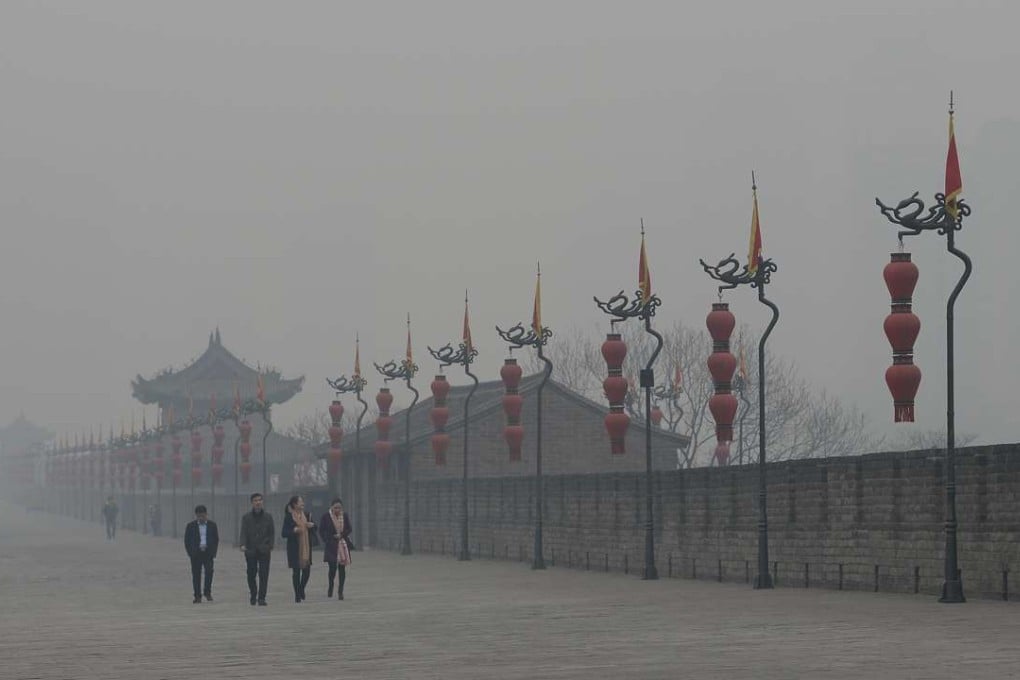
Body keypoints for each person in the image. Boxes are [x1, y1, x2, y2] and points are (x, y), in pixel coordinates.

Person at [239, 492, 274, 606]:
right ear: (252, 503)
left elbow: (272, 532)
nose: (258, 502)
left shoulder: (268, 517)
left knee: (264, 574)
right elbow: (243, 532)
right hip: (251, 549)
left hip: (264, 549)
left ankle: (262, 598)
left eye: (260, 500)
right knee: (251, 574)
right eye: (255, 500)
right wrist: (243, 544)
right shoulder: (246, 517)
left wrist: (270, 545)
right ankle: (253, 594)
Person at [282, 495, 316, 603]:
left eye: (302, 501)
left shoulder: (307, 515)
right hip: (294, 548)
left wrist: (312, 525)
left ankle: (301, 589)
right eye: (300, 502)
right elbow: (284, 533)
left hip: (306, 547)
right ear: (294, 504)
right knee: (296, 572)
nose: (303, 503)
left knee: (307, 572)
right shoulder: (289, 517)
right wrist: (294, 530)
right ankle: (297, 594)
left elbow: (315, 528)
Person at [319, 497, 353, 600]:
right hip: (331, 546)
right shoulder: (326, 517)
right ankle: (331, 585)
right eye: (335, 508)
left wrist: (342, 535)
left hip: (342, 544)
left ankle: (340, 591)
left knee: (342, 568)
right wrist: (328, 539)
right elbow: (321, 530)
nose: (337, 510)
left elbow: (349, 529)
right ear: (332, 508)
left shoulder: (345, 516)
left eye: (339, 508)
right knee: (332, 568)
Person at [183, 505, 219, 603]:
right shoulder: (191, 526)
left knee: (209, 572)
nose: (201, 518)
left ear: (206, 515)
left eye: (203, 516)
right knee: (196, 575)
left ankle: (207, 592)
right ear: (196, 515)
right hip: (196, 554)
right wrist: (190, 553)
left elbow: (216, 539)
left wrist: (213, 552)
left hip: (208, 553)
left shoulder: (212, 525)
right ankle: (197, 595)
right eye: (199, 516)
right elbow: (187, 541)